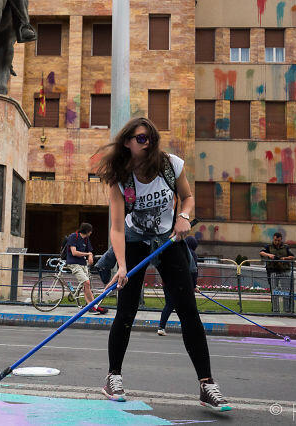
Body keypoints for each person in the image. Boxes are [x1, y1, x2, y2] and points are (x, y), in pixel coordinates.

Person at [96, 116, 230, 410]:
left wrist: (183, 217)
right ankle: (112, 378)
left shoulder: (170, 165)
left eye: (151, 138)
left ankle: (207, 385)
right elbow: (117, 228)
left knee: (188, 311)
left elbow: (188, 197)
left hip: (169, 240)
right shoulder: (121, 177)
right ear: (127, 142)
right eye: (141, 138)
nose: (148, 143)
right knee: (126, 311)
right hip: (134, 242)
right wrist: (120, 265)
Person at [158, 235, 199, 336]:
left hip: (167, 282)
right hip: (182, 283)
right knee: (186, 306)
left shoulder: (174, 250)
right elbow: (193, 270)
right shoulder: (191, 254)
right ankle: (189, 329)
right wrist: (193, 285)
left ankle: (161, 327)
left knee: (170, 304)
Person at [64, 223, 107, 315]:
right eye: (90, 231)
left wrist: (90, 254)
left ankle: (92, 306)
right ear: (87, 231)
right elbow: (74, 252)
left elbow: (89, 250)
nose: (91, 233)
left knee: (86, 285)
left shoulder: (86, 239)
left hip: (82, 263)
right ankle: (93, 307)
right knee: (86, 282)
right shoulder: (73, 237)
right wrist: (88, 255)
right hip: (73, 263)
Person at [260, 232, 296, 313]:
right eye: (275, 240)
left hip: (284, 271)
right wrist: (269, 255)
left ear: (281, 239)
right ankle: (275, 310)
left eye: (279, 240)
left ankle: (287, 310)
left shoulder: (286, 247)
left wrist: (284, 258)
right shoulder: (268, 246)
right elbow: (261, 252)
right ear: (273, 238)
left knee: (286, 291)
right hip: (272, 271)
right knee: (274, 291)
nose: (277, 242)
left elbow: (293, 256)